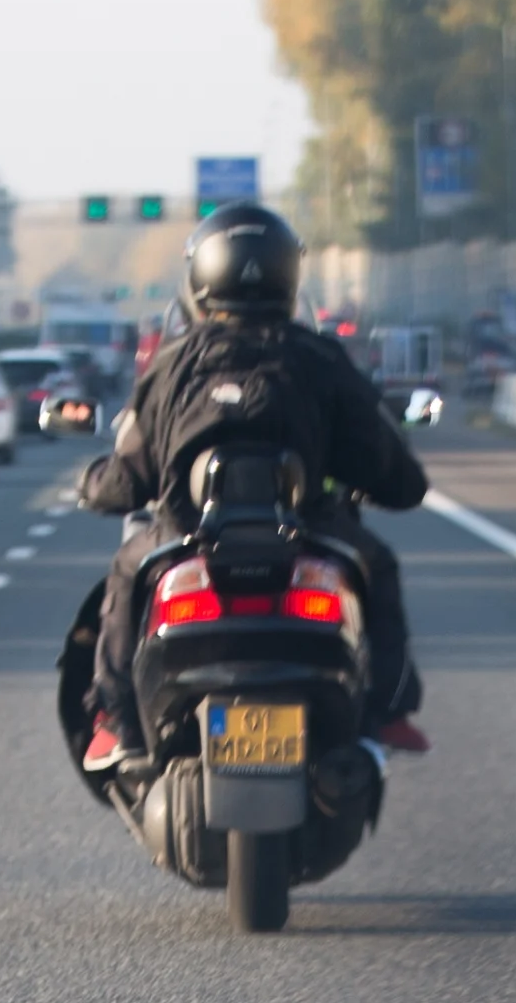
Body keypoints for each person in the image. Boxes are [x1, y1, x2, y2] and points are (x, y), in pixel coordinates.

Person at [80, 202, 428, 771]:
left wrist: (94, 484)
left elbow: (130, 477)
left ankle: (117, 721)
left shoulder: (170, 366)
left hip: (185, 538)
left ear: (200, 277)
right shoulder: (320, 359)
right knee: (377, 567)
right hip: (310, 536)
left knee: (127, 569)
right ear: (289, 275)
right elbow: (396, 478)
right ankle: (388, 711)